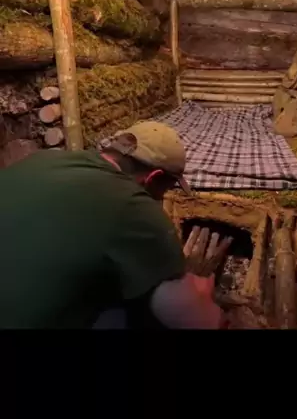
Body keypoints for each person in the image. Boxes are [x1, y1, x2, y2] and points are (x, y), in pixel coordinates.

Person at [0, 121, 225, 330]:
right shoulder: (134, 205)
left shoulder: (42, 160)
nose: (162, 196)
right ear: (153, 178)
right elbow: (190, 316)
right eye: (166, 188)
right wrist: (207, 302)